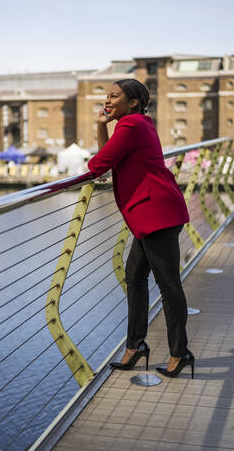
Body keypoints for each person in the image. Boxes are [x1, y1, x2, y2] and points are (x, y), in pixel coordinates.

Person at [87, 78, 195, 379]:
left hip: (156, 214)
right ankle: (136, 346)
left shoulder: (131, 126)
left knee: (169, 285)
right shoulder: (138, 123)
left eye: (114, 96)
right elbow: (109, 160)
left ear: (133, 102)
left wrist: (102, 142)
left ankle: (179, 352)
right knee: (134, 277)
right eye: (106, 96)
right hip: (150, 214)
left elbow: (98, 165)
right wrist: (101, 126)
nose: (107, 101)